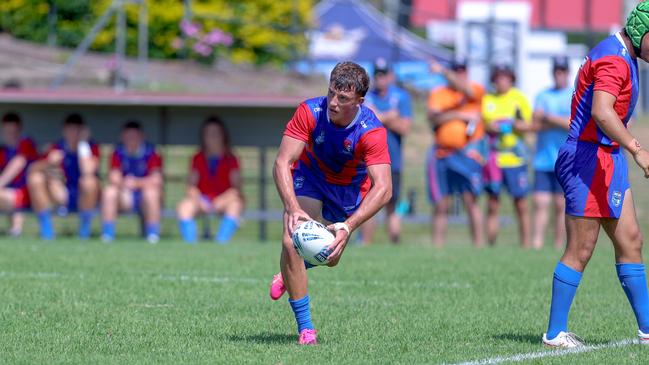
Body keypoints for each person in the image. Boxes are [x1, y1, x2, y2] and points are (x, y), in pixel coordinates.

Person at [542, 4, 649, 347]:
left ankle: (647, 328)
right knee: (582, 248)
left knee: (631, 240)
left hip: (607, 157)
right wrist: (637, 148)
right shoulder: (615, 59)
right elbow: (601, 112)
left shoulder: (622, 54)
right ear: (640, 30)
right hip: (586, 158)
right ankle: (555, 333)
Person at [267, 61, 392, 345]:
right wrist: (291, 206)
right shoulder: (310, 111)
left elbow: (384, 189)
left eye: (343, 98)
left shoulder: (371, 131)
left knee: (329, 256)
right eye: (331, 93)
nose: (333, 102)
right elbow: (282, 161)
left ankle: (287, 275)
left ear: (359, 101)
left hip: (348, 190)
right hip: (310, 177)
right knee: (292, 241)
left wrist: (348, 227)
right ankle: (306, 329)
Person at [427, 58, 487, 247]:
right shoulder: (439, 93)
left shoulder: (475, 90)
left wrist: (443, 71)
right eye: (456, 71)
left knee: (471, 200)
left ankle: (478, 246)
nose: (460, 74)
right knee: (441, 203)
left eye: (462, 71)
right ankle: (437, 247)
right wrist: (458, 114)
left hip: (466, 154)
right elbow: (433, 119)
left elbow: (467, 90)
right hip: (442, 154)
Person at [359, 58, 411, 244]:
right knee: (367, 204)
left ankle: (395, 244)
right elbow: (360, 122)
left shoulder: (401, 97)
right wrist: (389, 116)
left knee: (392, 203)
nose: (380, 79)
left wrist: (377, 116)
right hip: (366, 161)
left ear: (391, 76)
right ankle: (365, 244)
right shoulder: (365, 96)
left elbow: (404, 127)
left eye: (384, 74)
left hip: (392, 160)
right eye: (377, 75)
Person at [481, 65, 534, 247]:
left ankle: (526, 245)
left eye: (505, 77)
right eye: (497, 77)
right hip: (494, 159)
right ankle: (491, 246)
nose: (501, 81)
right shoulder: (487, 99)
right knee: (493, 203)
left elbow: (529, 124)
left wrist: (514, 125)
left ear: (511, 79)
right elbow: (482, 124)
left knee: (520, 204)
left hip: (515, 159)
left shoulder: (518, 98)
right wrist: (491, 126)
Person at [27, 114, 100, 240]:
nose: (73, 133)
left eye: (77, 130)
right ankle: (47, 229)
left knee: (89, 182)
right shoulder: (56, 148)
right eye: (70, 129)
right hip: (60, 194)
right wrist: (49, 163)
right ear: (64, 130)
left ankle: (84, 230)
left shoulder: (90, 148)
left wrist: (82, 145)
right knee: (35, 178)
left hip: (83, 197)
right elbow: (31, 170)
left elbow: (87, 171)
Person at [176, 117, 244, 244]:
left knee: (235, 205)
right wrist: (200, 200)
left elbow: (236, 189)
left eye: (216, 133)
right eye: (208, 133)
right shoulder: (198, 158)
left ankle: (221, 243)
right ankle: (190, 244)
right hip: (202, 200)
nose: (212, 137)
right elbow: (191, 187)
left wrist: (221, 200)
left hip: (224, 200)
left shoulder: (231, 159)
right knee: (184, 207)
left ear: (223, 136)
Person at [531, 56, 572, 250]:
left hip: (565, 160)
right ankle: (536, 243)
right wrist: (557, 121)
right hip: (543, 159)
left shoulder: (573, 94)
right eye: (557, 71)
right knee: (540, 203)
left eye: (562, 71)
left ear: (567, 73)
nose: (559, 75)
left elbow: (571, 124)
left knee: (560, 205)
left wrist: (547, 117)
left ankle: (558, 244)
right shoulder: (543, 95)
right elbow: (535, 123)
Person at [101, 121, 163, 244]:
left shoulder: (151, 153)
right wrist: (125, 185)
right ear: (122, 137)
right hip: (125, 196)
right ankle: (108, 234)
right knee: (109, 192)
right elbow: (114, 177)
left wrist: (136, 183)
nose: (131, 140)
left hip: (144, 198)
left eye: (134, 136)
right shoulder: (117, 152)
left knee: (151, 193)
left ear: (141, 137)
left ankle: (153, 234)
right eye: (128, 136)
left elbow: (156, 180)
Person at [0, 112, 38, 236]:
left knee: (9, 194)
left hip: (28, 193)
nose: (10, 135)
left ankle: (17, 229)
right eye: (7, 132)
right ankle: (15, 230)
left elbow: (18, 163)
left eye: (13, 132)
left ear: (19, 130)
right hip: (10, 192)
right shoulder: (4, 150)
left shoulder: (26, 143)